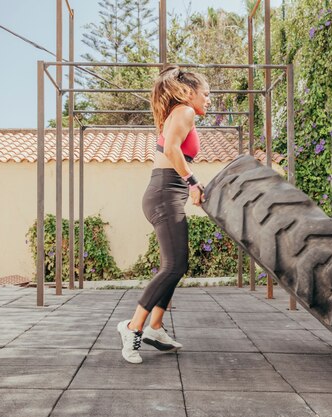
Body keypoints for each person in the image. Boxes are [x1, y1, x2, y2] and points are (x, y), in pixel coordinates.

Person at [117, 66, 211, 364]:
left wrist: (189, 185)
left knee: (175, 266)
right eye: (206, 95)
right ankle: (133, 327)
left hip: (166, 193)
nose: (209, 100)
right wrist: (193, 182)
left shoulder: (180, 114)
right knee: (173, 266)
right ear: (189, 93)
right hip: (164, 193)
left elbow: (173, 151)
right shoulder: (185, 112)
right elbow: (171, 149)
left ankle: (155, 327)